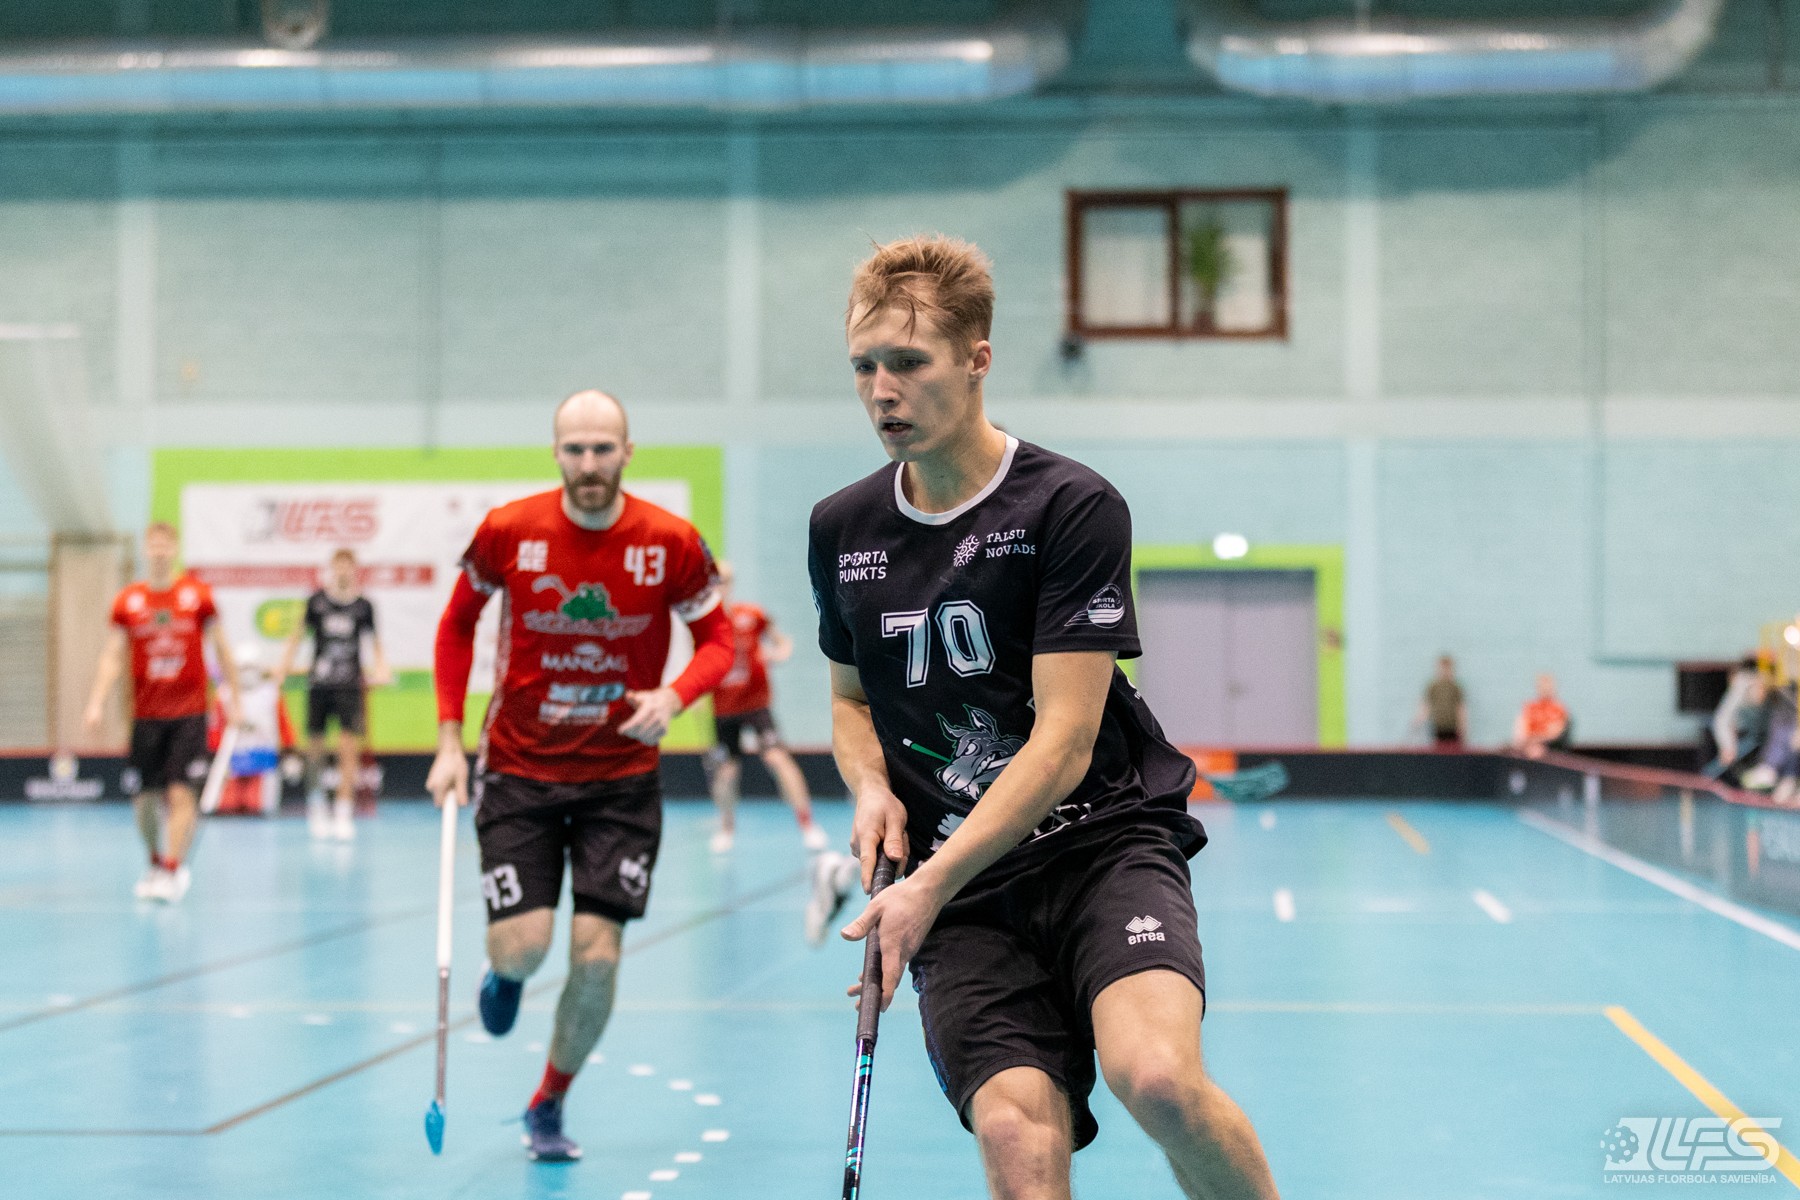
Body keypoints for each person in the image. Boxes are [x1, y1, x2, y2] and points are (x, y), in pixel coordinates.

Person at [807, 236, 1280, 1200]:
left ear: (977, 359)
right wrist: (869, 787)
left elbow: (1064, 743)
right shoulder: (841, 528)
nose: (882, 391)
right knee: (1016, 1136)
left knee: (1159, 1079)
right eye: (864, 366)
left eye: (909, 363)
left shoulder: (1071, 506)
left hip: (1100, 846)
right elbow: (851, 700)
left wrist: (925, 886)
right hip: (965, 890)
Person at [426, 389, 734, 1163]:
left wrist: (674, 696)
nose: (589, 464)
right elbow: (456, 625)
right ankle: (504, 975)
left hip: (621, 781)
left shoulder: (669, 542)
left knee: (597, 957)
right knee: (524, 949)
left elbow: (718, 641)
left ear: (627, 452)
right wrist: (447, 740)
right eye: (575, 449)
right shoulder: (509, 531)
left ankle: (548, 1101)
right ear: (556, 452)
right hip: (519, 771)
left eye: (603, 448)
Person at [82, 522, 239, 903]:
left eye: (165, 545)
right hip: (146, 716)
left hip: (190, 714)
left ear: (175, 549)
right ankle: (154, 860)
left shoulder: (198, 596)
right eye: (153, 545)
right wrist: (96, 701)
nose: (159, 551)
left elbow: (221, 647)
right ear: (144, 550)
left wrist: (234, 698)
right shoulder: (128, 601)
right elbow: (113, 655)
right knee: (145, 801)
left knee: (182, 793)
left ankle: (172, 868)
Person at [704, 560, 827, 855]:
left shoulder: (751, 615)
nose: (719, 588)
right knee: (726, 772)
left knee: (777, 759)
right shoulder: (703, 625)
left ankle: (807, 824)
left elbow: (782, 642)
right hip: (724, 710)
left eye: (724, 582)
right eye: (714, 582)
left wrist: (778, 653)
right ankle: (726, 827)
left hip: (756, 705)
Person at [276, 547, 390, 840]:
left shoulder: (364, 606)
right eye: (338, 566)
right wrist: (283, 668)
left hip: (349, 686)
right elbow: (297, 636)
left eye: (347, 566)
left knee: (348, 750)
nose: (342, 571)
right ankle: (317, 806)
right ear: (331, 569)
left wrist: (381, 668)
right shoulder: (316, 602)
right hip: (319, 685)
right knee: (314, 750)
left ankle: (343, 811)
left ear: (354, 570)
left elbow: (375, 642)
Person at [1510, 673, 1570, 759]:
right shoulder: (1530, 707)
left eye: (1548, 686)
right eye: (1542, 686)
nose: (1545, 689)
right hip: (1526, 748)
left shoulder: (1558, 709)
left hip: (1547, 750)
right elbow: (1520, 731)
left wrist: (1534, 741)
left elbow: (1554, 734)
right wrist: (1526, 743)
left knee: (1537, 752)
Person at [1412, 654, 1467, 748]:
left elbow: (1460, 708)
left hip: (1453, 727)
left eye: (1447, 668)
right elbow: (1426, 705)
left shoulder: (1455, 687)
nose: (1445, 671)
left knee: (1454, 751)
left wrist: (1463, 726)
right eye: (1442, 668)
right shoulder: (1433, 686)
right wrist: (1418, 720)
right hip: (1438, 727)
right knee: (1439, 750)